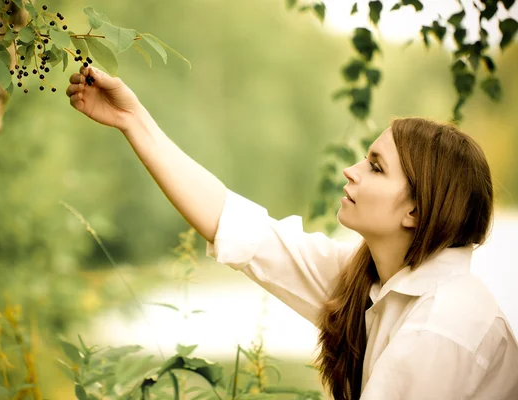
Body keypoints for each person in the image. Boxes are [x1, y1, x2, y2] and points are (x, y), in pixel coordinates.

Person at [66, 66, 518, 400]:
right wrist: (134, 120)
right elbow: (239, 229)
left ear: (417, 211)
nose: (351, 171)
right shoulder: (375, 278)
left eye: (376, 167)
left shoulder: (443, 324)